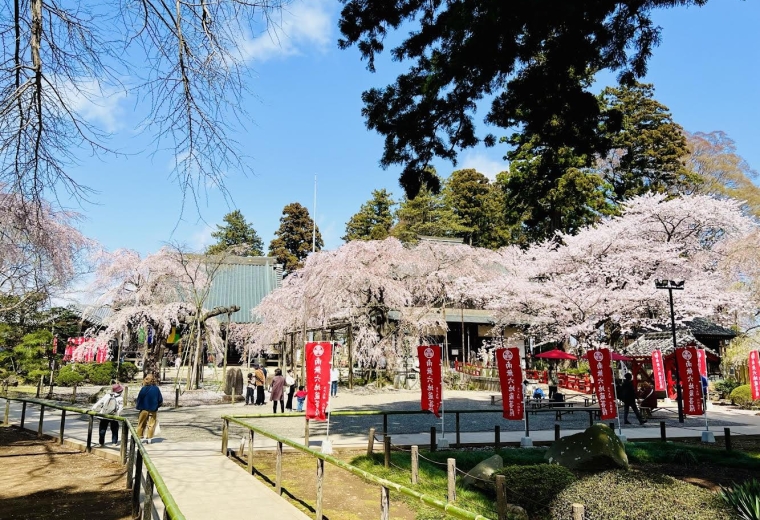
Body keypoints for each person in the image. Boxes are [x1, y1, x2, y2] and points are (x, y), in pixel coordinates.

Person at [136, 374, 163, 443]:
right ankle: (149, 438)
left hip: (144, 409)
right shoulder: (156, 389)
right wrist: (157, 406)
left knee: (141, 423)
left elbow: (139, 399)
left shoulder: (143, 389)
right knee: (151, 424)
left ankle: (140, 437)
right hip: (153, 409)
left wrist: (139, 407)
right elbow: (160, 399)